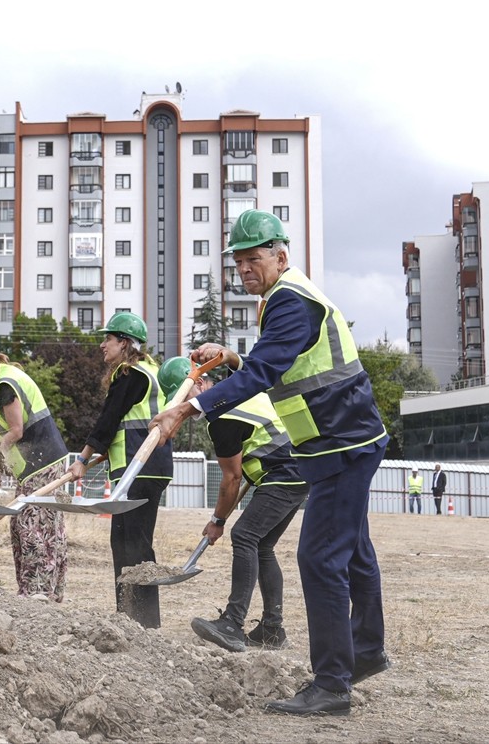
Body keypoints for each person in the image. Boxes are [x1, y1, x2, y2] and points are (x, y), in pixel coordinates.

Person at [148, 210, 390, 717]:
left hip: (338, 445)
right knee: (355, 553)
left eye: (253, 259)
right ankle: (365, 650)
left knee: (320, 559)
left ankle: (331, 684)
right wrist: (232, 360)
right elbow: (279, 365)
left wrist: (188, 407)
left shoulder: (289, 301)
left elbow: (266, 371)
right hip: (339, 442)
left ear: (281, 255)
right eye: (238, 263)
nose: (244, 270)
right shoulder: (285, 298)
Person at [157, 357, 309, 653]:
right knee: (262, 545)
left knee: (245, 536)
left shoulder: (222, 416)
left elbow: (231, 479)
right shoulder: (238, 391)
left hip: (284, 473)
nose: (183, 410)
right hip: (298, 469)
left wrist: (218, 521)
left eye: (183, 396)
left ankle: (232, 624)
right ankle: (271, 629)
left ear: (200, 383)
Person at [67, 312, 172, 628]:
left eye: (108, 339)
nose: (102, 345)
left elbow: (109, 420)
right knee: (133, 540)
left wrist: (83, 459)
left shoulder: (129, 374)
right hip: (153, 466)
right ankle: (135, 617)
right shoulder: (154, 372)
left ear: (124, 343)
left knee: (132, 544)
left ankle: (139, 621)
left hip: (136, 465)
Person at [0, 334, 69, 601]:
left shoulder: (6, 385)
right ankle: (45, 592)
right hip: (37, 465)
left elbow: (15, 432)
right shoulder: (5, 380)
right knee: (37, 525)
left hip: (41, 464)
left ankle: (37, 594)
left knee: (33, 527)